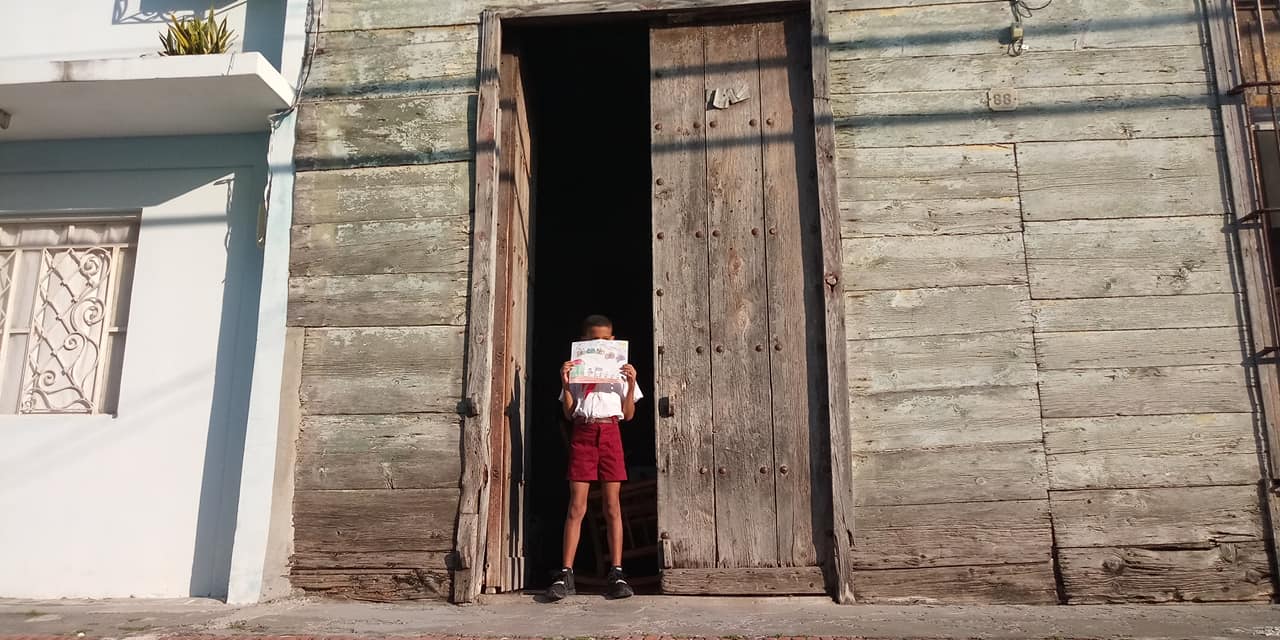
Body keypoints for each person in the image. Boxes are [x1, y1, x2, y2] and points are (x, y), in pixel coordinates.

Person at [546, 314, 642, 601]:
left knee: (612, 505)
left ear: (612, 340)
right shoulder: (577, 372)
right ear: (584, 342)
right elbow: (568, 412)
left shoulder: (620, 374)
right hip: (584, 434)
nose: (599, 344)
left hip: (611, 433)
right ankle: (566, 573)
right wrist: (565, 385)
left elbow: (628, 415)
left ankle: (617, 571)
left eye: (604, 339)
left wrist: (631, 381)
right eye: (593, 340)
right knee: (577, 506)